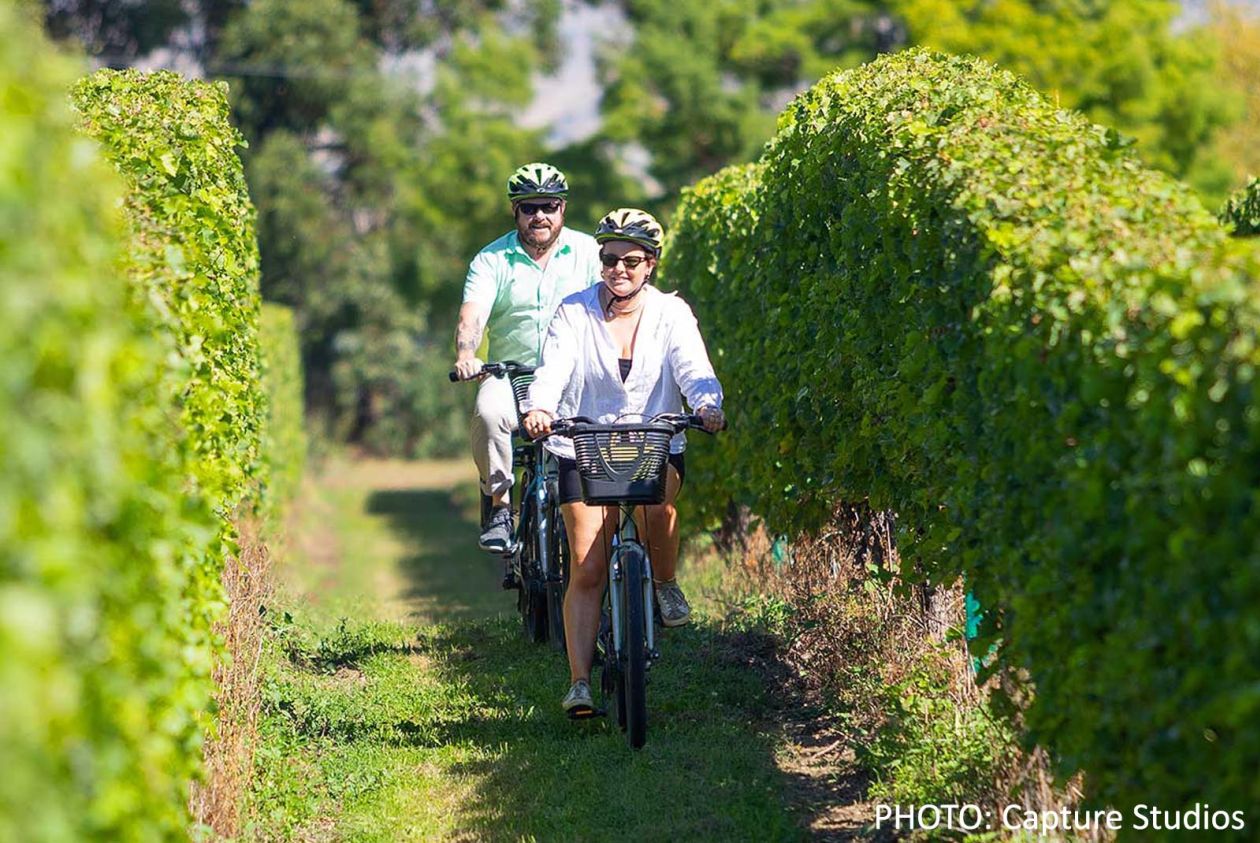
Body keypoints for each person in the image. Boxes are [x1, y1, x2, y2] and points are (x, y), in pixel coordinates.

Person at [520, 208, 725, 715]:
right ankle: (580, 682)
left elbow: (693, 367)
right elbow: (555, 368)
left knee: (660, 509)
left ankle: (665, 581)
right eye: (610, 259)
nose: (619, 270)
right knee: (587, 566)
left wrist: (706, 404)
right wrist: (541, 408)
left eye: (631, 261)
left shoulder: (672, 314)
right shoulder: (574, 312)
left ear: (651, 264)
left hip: (653, 442)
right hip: (582, 444)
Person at [452, 163, 601, 565]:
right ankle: (500, 506)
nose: (540, 216)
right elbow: (473, 314)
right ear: (514, 212)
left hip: (574, 375)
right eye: (529, 207)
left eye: (548, 206)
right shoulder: (491, 259)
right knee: (488, 413)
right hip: (509, 372)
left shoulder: (589, 252)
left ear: (562, 209)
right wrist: (467, 355)